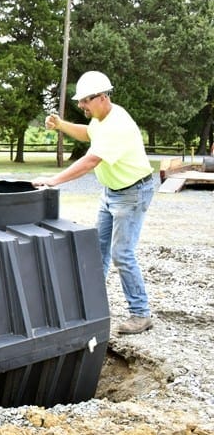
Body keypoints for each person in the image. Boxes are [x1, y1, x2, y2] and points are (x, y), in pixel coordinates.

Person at [32, 71, 155, 335]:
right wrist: (61, 125)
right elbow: (88, 133)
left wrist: (54, 180)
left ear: (101, 97)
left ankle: (141, 314)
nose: (81, 105)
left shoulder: (117, 125)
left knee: (123, 253)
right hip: (112, 191)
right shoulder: (101, 119)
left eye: (85, 101)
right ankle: (94, 308)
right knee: (98, 250)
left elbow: (90, 161)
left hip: (132, 193)